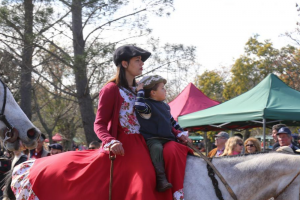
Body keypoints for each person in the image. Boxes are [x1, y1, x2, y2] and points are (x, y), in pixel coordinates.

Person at [135, 75, 191, 192]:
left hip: (168, 138)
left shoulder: (165, 106)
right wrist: (140, 91)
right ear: (153, 92)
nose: (165, 90)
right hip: (153, 138)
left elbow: (172, 123)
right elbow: (138, 106)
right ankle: (161, 179)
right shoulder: (146, 104)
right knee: (156, 148)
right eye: (162, 88)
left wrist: (181, 132)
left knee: (177, 149)